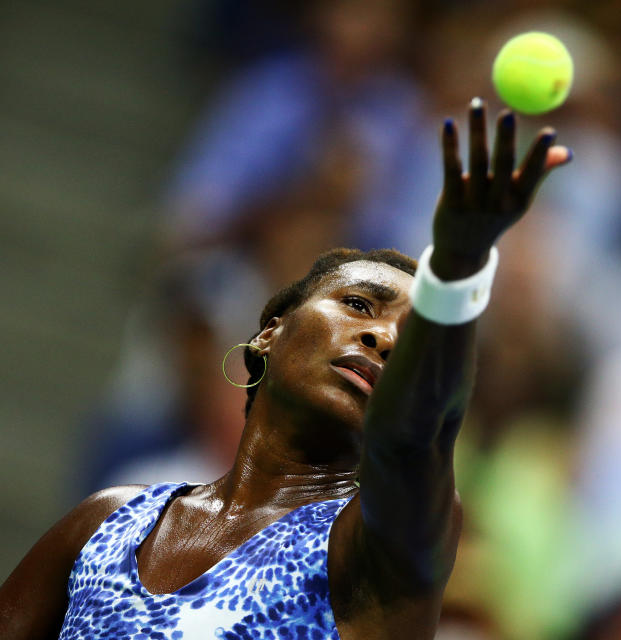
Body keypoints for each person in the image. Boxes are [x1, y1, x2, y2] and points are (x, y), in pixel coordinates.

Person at [0, 98, 572, 639]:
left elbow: (414, 437)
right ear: (270, 331)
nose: (384, 336)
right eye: (359, 304)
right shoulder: (107, 520)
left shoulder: (373, 554)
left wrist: (456, 270)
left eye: (413, 336)